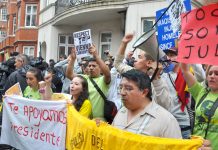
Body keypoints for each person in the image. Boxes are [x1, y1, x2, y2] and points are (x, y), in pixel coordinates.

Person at [112, 69, 182, 138]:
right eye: (120, 87)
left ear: (144, 92)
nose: (122, 92)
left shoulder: (166, 120)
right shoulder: (121, 112)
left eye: (128, 88)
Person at [114, 33, 172, 110]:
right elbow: (118, 63)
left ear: (149, 63)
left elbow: (165, 106)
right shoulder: (133, 72)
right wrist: (124, 43)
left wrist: (156, 78)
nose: (135, 60)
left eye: (139, 57)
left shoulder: (159, 81)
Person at [66, 45, 111, 121]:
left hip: (98, 121)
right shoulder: (84, 78)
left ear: (100, 68)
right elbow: (69, 74)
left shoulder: (103, 80)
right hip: (82, 118)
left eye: (94, 66)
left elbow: (107, 74)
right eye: (89, 66)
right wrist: (73, 59)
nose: (90, 68)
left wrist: (96, 56)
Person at [181, 63, 218, 149]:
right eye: (210, 73)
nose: (212, 76)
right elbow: (185, 70)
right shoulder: (201, 92)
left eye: (217, 74)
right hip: (196, 147)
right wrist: (184, 52)